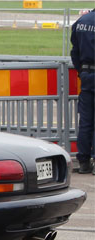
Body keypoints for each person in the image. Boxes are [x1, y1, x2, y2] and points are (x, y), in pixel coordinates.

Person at [70, 10, 95, 174]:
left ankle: (84, 161)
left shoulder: (82, 21)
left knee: (85, 121)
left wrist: (82, 71)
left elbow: (75, 51)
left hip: (86, 76)